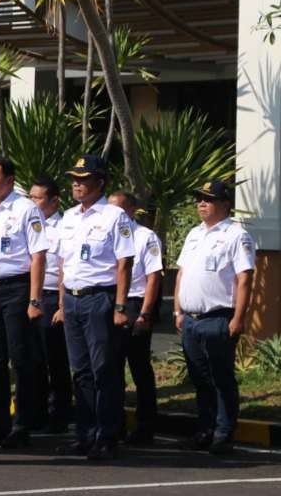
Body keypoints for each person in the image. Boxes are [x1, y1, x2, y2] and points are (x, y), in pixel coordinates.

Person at [53, 155, 135, 460]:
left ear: (99, 182)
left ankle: (107, 435)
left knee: (104, 370)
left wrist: (120, 305)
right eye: (74, 178)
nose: (76, 183)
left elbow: (124, 262)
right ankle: (85, 434)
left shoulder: (115, 216)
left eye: (83, 178)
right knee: (81, 371)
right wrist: (62, 301)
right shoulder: (69, 216)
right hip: (72, 300)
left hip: (100, 298)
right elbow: (63, 263)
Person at [174, 179, 255, 455]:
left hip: (219, 317)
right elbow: (182, 272)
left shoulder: (236, 235)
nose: (201, 203)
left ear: (224, 204)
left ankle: (223, 432)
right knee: (200, 378)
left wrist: (238, 317)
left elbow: (245, 278)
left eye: (207, 199)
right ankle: (204, 430)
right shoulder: (194, 233)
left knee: (221, 378)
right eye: (199, 199)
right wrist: (177, 310)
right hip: (191, 319)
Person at [0, 158, 47, 448]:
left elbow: (38, 255)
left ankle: (22, 424)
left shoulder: (26, 209)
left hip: (17, 288)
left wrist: (34, 298)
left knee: (20, 358)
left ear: (9, 179)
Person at [109, 190, 163, 444]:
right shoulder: (106, 233)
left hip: (134, 303)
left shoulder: (145, 237)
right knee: (112, 368)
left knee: (139, 367)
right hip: (111, 302)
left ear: (131, 211)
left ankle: (145, 427)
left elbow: (153, 277)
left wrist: (145, 313)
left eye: (118, 209)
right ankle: (114, 425)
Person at [27, 178, 72, 433]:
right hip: (31, 294)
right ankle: (37, 411)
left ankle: (59, 414)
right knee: (33, 359)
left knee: (55, 358)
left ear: (54, 201)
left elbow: (65, 268)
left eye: (38, 198)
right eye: (30, 197)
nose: (32, 203)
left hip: (54, 295)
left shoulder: (63, 227)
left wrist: (62, 305)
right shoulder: (30, 225)